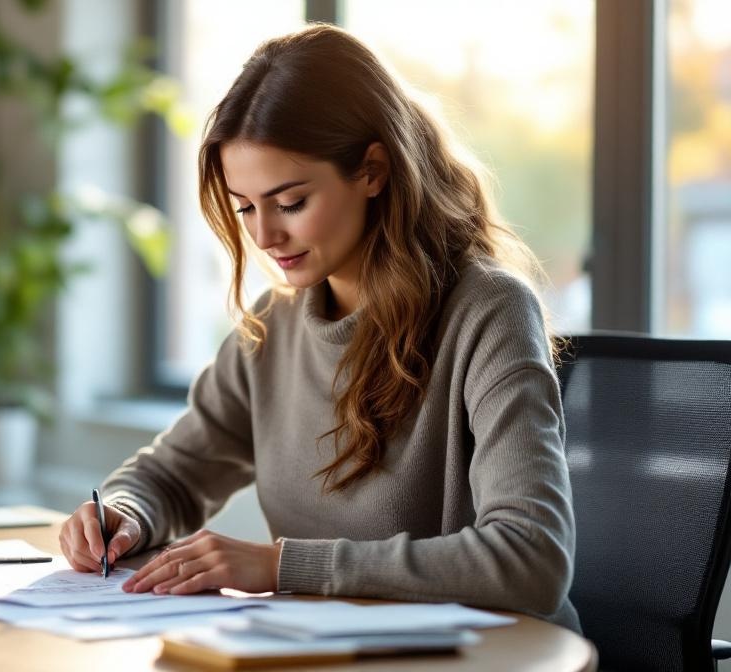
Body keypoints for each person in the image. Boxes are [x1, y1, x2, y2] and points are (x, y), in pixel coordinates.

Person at [58, 24, 579, 631]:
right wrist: (124, 513)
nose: (263, 237)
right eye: (246, 207)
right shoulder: (272, 327)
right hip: (321, 652)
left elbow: (531, 560)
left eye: (291, 202)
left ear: (373, 172)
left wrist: (282, 567)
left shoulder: (489, 312)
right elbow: (173, 473)